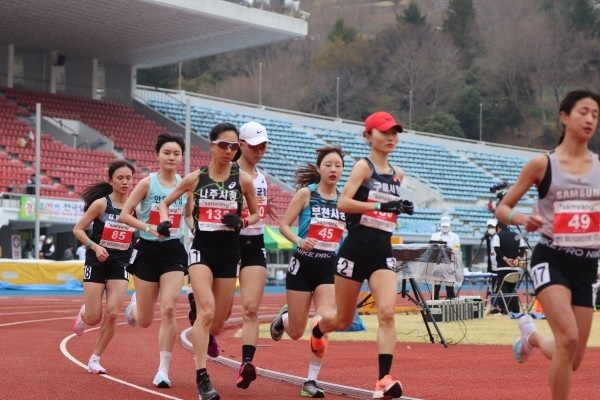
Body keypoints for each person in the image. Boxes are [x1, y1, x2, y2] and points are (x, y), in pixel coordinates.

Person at [495, 90, 600, 400]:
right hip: (551, 259)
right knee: (567, 338)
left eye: (595, 114)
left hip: (586, 265)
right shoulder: (542, 165)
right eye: (584, 112)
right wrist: (522, 217)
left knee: (573, 356)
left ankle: (533, 338)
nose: (590, 119)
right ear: (564, 117)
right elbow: (503, 208)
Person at [309, 111, 412, 399]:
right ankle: (319, 328)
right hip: (354, 251)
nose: (391, 137)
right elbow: (343, 203)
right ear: (368, 136)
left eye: (394, 132)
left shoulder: (398, 174)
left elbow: (390, 211)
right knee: (342, 321)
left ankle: (383, 379)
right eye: (384, 132)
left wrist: (401, 207)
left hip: (382, 252)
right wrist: (381, 207)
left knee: (388, 313)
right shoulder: (362, 168)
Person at [158, 122, 259, 400]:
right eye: (224, 145)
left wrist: (242, 220)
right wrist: (166, 220)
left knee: (217, 321)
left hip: (230, 253)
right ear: (212, 146)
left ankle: (203, 321)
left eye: (234, 146)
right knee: (206, 312)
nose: (229, 151)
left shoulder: (244, 180)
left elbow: (256, 215)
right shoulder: (195, 178)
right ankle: (203, 378)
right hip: (202, 249)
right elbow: (166, 203)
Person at [119, 133, 194, 389]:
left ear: (181, 157)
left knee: (170, 308)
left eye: (176, 154)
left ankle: (163, 369)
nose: (172, 157)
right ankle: (136, 303)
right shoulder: (147, 183)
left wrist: (198, 231)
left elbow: (188, 216)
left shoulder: (186, 184)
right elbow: (123, 215)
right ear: (158, 155)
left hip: (174, 251)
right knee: (145, 320)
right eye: (167, 153)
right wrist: (150, 228)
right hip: (148, 250)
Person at [271, 145, 346, 398]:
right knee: (295, 332)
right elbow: (283, 225)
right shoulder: (306, 194)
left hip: (328, 268)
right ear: (318, 168)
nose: (333, 169)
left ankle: (310, 381)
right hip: (302, 265)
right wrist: (298, 240)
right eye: (328, 165)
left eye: (338, 165)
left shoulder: (344, 200)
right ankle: (284, 319)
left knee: (323, 322)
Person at [71, 160, 137, 374]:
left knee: (112, 313)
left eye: (128, 178)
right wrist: (95, 247)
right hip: (96, 262)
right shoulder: (101, 204)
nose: (125, 182)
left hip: (120, 264)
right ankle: (83, 314)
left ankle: (95, 358)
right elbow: (78, 229)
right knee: (94, 317)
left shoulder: (135, 207)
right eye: (120, 178)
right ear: (111, 180)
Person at [229, 121, 277, 389]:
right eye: (256, 146)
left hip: (254, 242)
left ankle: (246, 363)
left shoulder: (261, 177)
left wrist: (263, 209)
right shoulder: (229, 173)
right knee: (217, 312)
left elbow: (257, 207)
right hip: (227, 244)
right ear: (242, 145)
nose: (260, 150)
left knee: (251, 308)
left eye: (264, 145)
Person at [489, 222, 526, 314]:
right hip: (514, 267)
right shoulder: (517, 235)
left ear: (499, 228)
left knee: (502, 289)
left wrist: (505, 259)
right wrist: (517, 259)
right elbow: (523, 249)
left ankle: (503, 309)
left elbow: (497, 249)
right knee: (513, 289)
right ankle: (515, 309)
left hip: (502, 267)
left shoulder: (498, 236)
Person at [430, 215, 460, 300]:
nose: (445, 228)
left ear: (450, 225)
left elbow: (457, 250)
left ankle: (451, 304)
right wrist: (438, 244)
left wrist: (446, 246)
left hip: (449, 264)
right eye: (443, 226)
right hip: (437, 264)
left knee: (449, 286)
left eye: (446, 226)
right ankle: (434, 305)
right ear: (440, 225)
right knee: (435, 287)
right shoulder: (435, 236)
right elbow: (430, 248)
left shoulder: (455, 236)